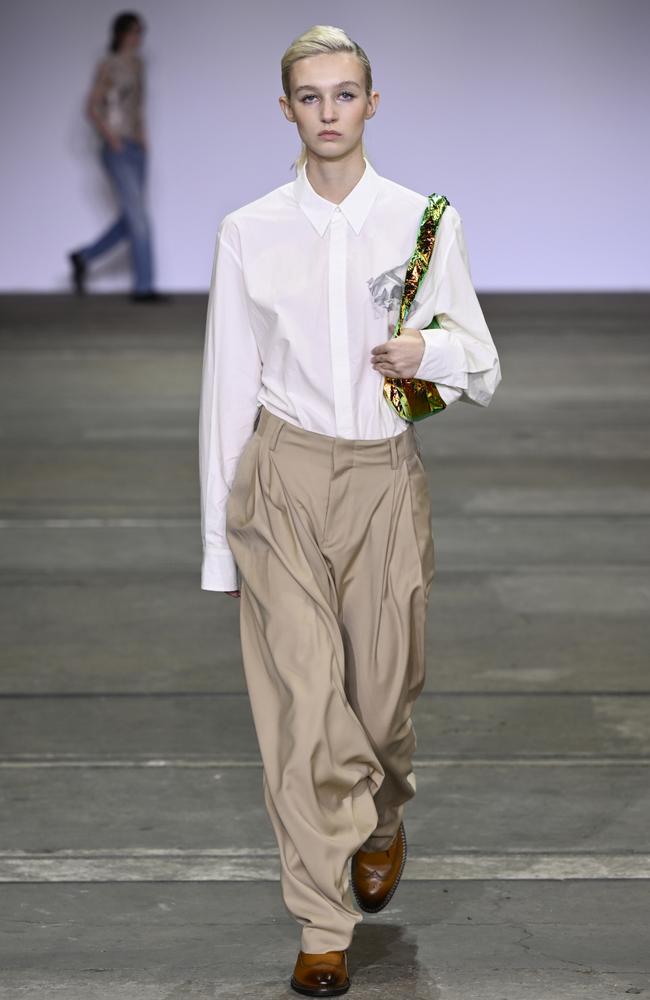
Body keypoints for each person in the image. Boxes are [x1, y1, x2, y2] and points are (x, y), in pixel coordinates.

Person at [199, 24, 501, 997]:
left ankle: (378, 820)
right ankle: (320, 920)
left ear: (371, 103)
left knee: (378, 701)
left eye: (343, 93)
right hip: (279, 480)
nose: (326, 112)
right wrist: (219, 548)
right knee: (298, 710)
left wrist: (430, 356)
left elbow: (481, 362)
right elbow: (224, 389)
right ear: (285, 109)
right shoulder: (248, 228)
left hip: (381, 477)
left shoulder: (421, 220)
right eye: (309, 95)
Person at [68, 11, 167, 302]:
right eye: (134, 31)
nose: (138, 37)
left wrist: (145, 139)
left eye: (141, 31)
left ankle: (83, 257)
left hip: (137, 149)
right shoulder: (108, 66)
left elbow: (138, 107)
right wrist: (111, 137)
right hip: (118, 148)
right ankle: (144, 288)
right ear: (121, 33)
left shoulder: (138, 64)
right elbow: (92, 107)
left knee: (131, 219)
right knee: (139, 219)